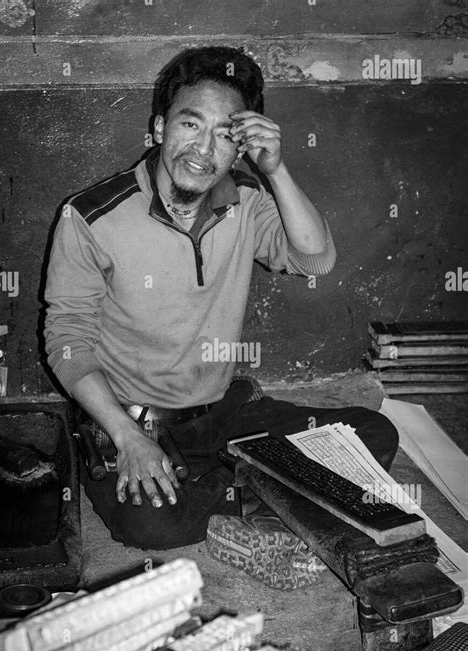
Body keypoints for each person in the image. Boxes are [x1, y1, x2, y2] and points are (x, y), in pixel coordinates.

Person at [44, 46, 399, 550]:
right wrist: (127, 439)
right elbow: (66, 341)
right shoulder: (90, 217)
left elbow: (316, 260)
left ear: (241, 146)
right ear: (161, 128)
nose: (203, 150)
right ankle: (270, 491)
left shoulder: (247, 201)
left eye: (224, 136)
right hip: (131, 419)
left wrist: (275, 171)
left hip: (222, 412)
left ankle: (238, 491)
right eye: (190, 125)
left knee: (372, 433)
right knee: (147, 526)